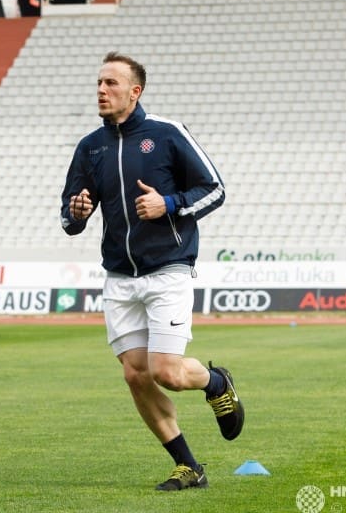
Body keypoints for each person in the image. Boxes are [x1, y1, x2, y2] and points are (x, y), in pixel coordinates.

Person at [60, 51, 243, 492]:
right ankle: (188, 466)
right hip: (120, 277)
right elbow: (69, 217)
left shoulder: (166, 134)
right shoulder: (90, 147)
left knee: (168, 372)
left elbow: (214, 189)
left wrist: (170, 204)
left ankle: (217, 381)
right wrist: (78, 211)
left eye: (111, 84)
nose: (101, 90)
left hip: (168, 270)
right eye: (99, 83)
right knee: (134, 375)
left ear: (134, 91)